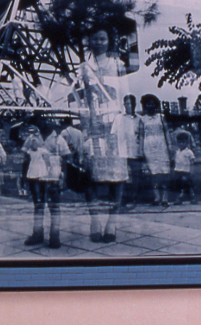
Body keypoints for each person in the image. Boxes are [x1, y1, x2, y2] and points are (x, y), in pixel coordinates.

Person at [80, 28, 129, 243]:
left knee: (117, 175)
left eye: (103, 38)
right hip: (92, 124)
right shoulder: (84, 67)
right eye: (95, 38)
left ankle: (112, 222)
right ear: (89, 40)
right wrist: (84, 126)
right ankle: (95, 220)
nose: (99, 42)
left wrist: (123, 124)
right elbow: (80, 98)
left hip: (114, 124)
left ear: (109, 41)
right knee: (90, 174)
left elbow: (124, 96)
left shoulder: (118, 65)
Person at [23, 134, 64, 249]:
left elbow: (65, 157)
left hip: (53, 177)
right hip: (36, 177)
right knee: (38, 205)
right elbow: (26, 156)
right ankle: (38, 234)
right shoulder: (32, 136)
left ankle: (54, 237)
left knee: (54, 207)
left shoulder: (58, 138)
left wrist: (62, 175)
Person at [139, 94, 172, 207]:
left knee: (164, 173)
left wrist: (169, 145)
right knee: (154, 174)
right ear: (145, 105)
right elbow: (141, 135)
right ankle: (157, 197)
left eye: (152, 104)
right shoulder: (142, 119)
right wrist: (141, 150)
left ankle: (165, 198)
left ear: (156, 105)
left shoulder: (161, 117)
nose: (150, 106)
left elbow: (166, 131)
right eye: (148, 104)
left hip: (161, 146)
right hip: (149, 147)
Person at [111, 94, 142, 209]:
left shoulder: (139, 119)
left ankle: (133, 199)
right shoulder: (118, 118)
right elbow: (113, 135)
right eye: (127, 103)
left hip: (135, 152)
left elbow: (141, 136)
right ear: (124, 105)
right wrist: (114, 150)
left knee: (135, 177)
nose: (129, 106)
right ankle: (120, 200)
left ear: (135, 104)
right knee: (121, 178)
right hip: (121, 152)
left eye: (131, 103)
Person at [172, 129, 196, 205]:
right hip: (177, 171)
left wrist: (192, 170)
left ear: (187, 143)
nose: (181, 144)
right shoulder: (177, 152)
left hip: (186, 171)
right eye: (179, 142)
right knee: (178, 186)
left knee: (188, 185)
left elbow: (192, 162)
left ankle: (192, 198)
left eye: (183, 142)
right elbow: (176, 161)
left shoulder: (189, 152)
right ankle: (179, 199)